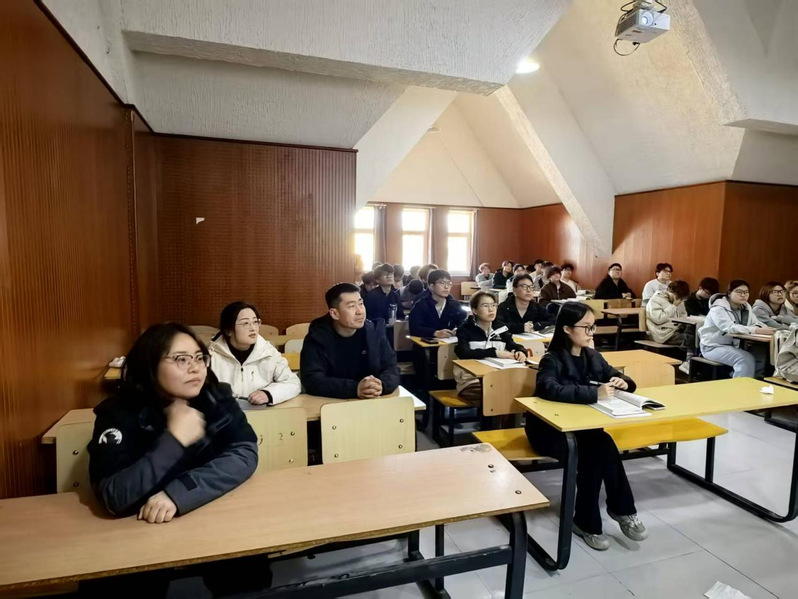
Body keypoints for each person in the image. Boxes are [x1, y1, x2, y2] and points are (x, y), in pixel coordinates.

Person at [87, 324, 265, 595]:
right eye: (181, 359)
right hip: (141, 532)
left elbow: (244, 452)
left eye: (199, 358)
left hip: (210, 516)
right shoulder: (118, 413)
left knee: (247, 575)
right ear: (149, 365)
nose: (195, 368)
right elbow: (115, 496)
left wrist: (178, 493)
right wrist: (173, 442)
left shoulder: (215, 395)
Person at [526, 302, 646, 551]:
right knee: (595, 452)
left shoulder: (593, 357)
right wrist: (594, 393)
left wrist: (622, 381)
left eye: (593, 327)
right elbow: (549, 388)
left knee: (603, 446)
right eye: (586, 327)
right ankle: (608, 514)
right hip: (550, 431)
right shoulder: (551, 359)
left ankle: (602, 517)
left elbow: (617, 375)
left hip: (583, 430)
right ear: (567, 329)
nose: (591, 333)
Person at [300, 283, 399, 399]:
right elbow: (312, 379)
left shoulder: (373, 331)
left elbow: (391, 367)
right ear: (335, 313)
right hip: (332, 402)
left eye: (361, 304)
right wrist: (354, 389)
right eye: (352, 306)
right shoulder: (317, 337)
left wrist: (381, 385)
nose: (360, 311)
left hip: (373, 400)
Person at [209, 302, 301, 405]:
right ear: (228, 330)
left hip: (262, 412)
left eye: (255, 322)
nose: (253, 328)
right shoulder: (211, 356)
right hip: (226, 412)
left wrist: (269, 394)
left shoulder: (268, 352)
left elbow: (293, 383)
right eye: (245, 323)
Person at [453, 291, 527, 401]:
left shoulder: (500, 328)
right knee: (497, 396)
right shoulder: (465, 329)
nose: (491, 309)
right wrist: (495, 353)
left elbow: (513, 345)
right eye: (485, 306)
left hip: (497, 378)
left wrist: (521, 351)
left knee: (519, 391)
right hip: (471, 381)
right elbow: (464, 352)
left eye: (493, 305)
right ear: (474, 310)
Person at [698, 280, 775, 378]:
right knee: (745, 359)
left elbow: (755, 323)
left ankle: (751, 382)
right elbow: (729, 327)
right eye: (739, 292)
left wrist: (762, 328)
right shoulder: (718, 308)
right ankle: (740, 386)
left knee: (761, 353)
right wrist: (756, 330)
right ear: (729, 293)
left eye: (746, 292)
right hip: (713, 347)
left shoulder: (746, 307)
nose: (743, 295)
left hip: (736, 346)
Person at [645, 280, 695, 374]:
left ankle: (689, 361)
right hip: (663, 332)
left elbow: (684, 315)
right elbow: (658, 319)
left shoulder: (679, 300)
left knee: (697, 333)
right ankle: (688, 361)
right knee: (691, 338)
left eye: (682, 299)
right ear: (670, 291)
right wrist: (673, 306)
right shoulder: (655, 300)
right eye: (678, 297)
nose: (680, 300)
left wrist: (683, 322)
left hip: (676, 328)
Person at [409, 269, 467, 338]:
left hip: (450, 342)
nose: (446, 287)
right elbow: (414, 328)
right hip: (426, 343)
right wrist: (435, 333)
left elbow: (463, 323)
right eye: (442, 283)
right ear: (431, 286)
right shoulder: (421, 305)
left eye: (449, 283)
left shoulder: (455, 305)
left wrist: (458, 330)